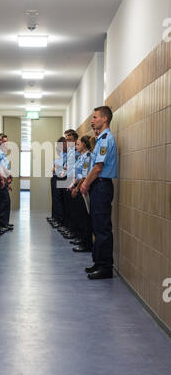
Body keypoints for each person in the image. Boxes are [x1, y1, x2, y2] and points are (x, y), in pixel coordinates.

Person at [80, 106, 117, 280]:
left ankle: (105, 267)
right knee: (97, 225)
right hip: (98, 185)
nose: (92, 120)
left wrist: (86, 184)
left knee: (102, 228)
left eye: (95, 117)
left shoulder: (105, 139)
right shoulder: (100, 138)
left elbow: (98, 167)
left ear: (105, 119)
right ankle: (98, 261)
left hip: (101, 185)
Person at [68, 135, 93, 253]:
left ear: (84, 144)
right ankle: (81, 239)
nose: (76, 146)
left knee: (84, 217)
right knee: (79, 215)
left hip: (83, 190)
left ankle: (86, 244)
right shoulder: (81, 157)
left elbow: (84, 176)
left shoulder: (88, 157)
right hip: (78, 186)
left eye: (78, 144)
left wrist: (76, 189)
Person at [47, 136, 67, 227]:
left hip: (60, 178)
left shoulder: (66, 155)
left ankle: (59, 220)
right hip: (55, 178)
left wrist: (55, 169)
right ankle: (55, 218)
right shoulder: (60, 155)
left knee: (58, 200)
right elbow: (54, 168)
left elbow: (58, 169)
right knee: (55, 199)